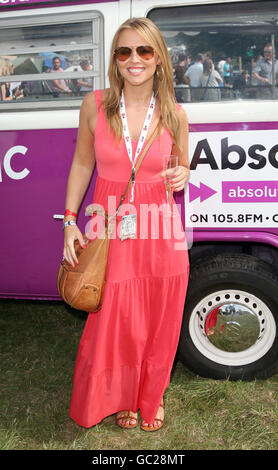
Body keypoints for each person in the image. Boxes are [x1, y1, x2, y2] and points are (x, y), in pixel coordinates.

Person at [64, 17, 190, 431]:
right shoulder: (94, 105)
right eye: (124, 51)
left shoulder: (174, 113)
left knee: (158, 316)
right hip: (109, 222)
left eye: (143, 51)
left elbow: (181, 165)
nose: (134, 59)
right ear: (115, 60)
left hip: (160, 228)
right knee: (116, 318)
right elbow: (83, 162)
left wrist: (183, 174)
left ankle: (149, 394)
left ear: (158, 59)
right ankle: (121, 396)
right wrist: (69, 221)